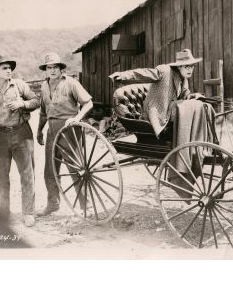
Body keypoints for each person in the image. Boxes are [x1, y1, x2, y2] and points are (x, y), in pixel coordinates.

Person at [109, 49, 215, 199]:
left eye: (192, 66)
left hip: (170, 114)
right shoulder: (164, 71)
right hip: (156, 115)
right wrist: (123, 75)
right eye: (186, 66)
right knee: (189, 107)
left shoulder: (183, 79)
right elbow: (144, 73)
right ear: (178, 66)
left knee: (199, 105)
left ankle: (194, 142)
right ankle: (183, 149)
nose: (190, 69)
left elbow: (184, 96)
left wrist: (194, 96)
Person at [0, 55, 40, 227]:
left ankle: (28, 213)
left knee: (27, 175)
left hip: (22, 133)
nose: (9, 71)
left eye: (9, 68)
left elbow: (36, 101)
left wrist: (22, 104)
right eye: (4, 68)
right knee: (0, 177)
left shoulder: (20, 85)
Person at [37, 52, 93, 216]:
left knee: (75, 168)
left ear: (61, 69)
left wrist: (76, 118)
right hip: (51, 129)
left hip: (69, 129)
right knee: (50, 169)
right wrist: (40, 130)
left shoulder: (71, 83)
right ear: (46, 70)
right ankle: (53, 204)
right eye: (49, 67)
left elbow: (88, 103)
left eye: (55, 67)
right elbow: (42, 111)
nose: (52, 70)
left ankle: (85, 205)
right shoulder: (44, 86)